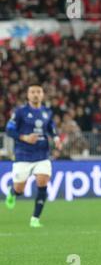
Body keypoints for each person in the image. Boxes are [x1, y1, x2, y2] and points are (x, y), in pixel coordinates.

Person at [4, 85, 62, 228]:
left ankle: (35, 218)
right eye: (32, 92)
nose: (36, 94)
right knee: (20, 189)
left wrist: (56, 139)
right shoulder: (20, 112)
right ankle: (13, 192)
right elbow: (9, 130)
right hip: (23, 155)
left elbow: (51, 129)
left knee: (43, 183)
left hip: (42, 154)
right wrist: (24, 137)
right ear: (28, 95)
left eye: (38, 92)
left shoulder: (47, 112)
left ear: (42, 95)